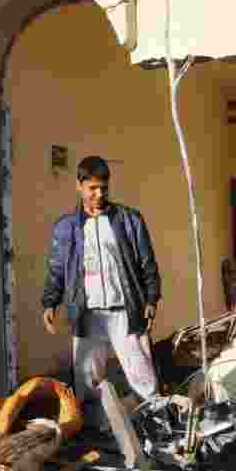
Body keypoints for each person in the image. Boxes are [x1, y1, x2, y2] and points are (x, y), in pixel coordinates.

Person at [41, 156, 161, 429]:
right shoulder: (67, 226)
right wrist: (50, 302)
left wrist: (151, 298)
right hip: (88, 313)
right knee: (87, 379)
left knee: (142, 373)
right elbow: (57, 267)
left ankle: (156, 424)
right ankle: (94, 432)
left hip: (125, 310)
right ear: (79, 186)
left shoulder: (129, 220)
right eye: (93, 188)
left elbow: (146, 262)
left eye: (104, 188)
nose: (99, 194)